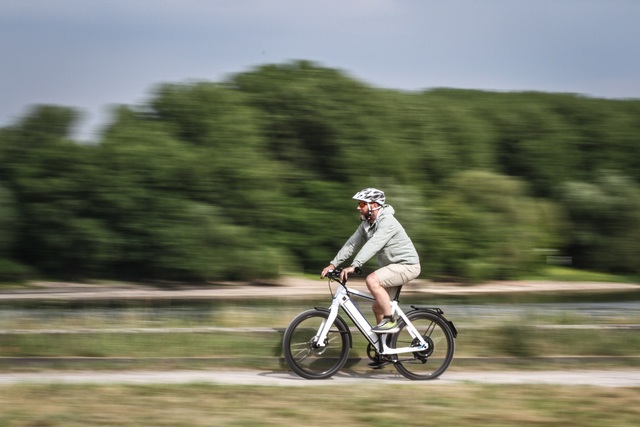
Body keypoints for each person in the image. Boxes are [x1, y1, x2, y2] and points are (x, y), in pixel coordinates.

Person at [321, 188, 421, 334]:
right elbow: (351, 244)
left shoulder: (388, 222)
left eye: (361, 204)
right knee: (377, 307)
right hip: (393, 267)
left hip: (407, 266)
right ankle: (384, 349)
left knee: (372, 280)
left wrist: (355, 266)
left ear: (373, 205)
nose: (358, 207)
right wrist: (333, 263)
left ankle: (390, 320)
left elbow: (373, 244)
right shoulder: (366, 225)